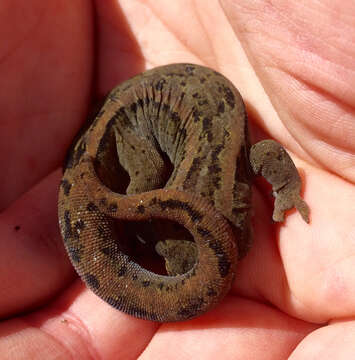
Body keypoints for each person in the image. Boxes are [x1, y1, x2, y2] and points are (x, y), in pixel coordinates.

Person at [1, 0, 354, 358]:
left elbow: (269, 156)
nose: (182, 267)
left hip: (144, 105)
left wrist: (287, 187)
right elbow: (268, 154)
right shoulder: (222, 166)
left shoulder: (235, 167)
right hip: (130, 119)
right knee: (145, 172)